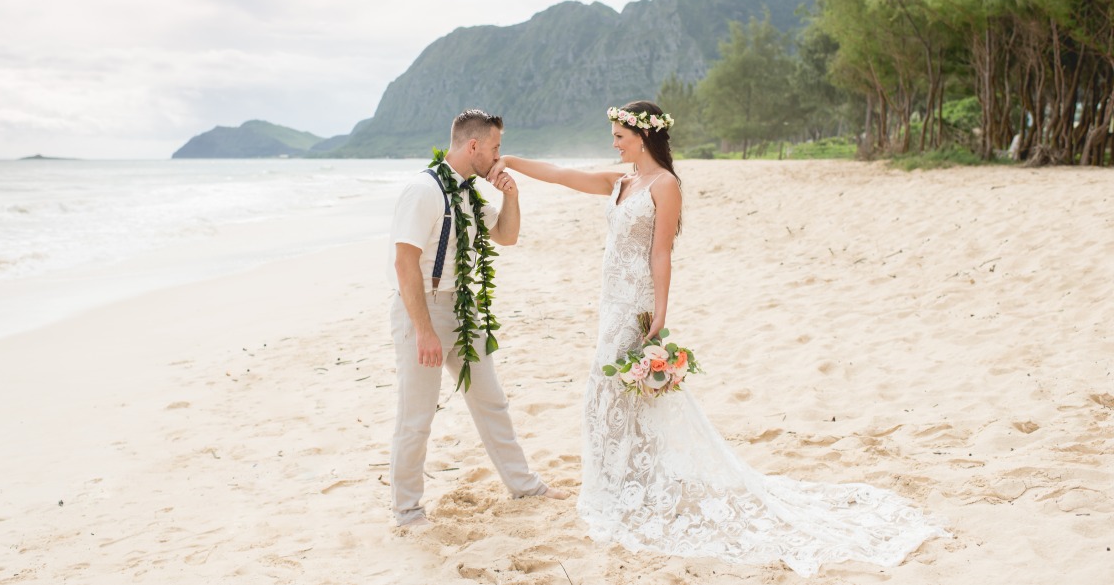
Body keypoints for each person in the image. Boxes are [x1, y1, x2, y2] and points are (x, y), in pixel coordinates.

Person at [488, 100, 948, 577]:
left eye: (620, 136)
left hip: (636, 303)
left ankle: (629, 483)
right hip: (610, 301)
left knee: (618, 391)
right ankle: (623, 480)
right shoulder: (620, 182)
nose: (614, 143)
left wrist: (659, 313)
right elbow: (562, 174)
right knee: (608, 394)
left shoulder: (665, 186)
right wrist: (513, 162)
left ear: (643, 137)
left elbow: (661, 252)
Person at [388, 108, 567, 528]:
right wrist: (424, 331)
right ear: (474, 146)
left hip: (465, 308)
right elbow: (404, 264)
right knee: (416, 416)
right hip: (423, 308)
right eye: (495, 148)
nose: (499, 156)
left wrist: (512, 195)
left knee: (491, 401)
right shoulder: (423, 190)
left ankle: (525, 486)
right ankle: (407, 511)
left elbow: (507, 236)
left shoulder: (468, 193)